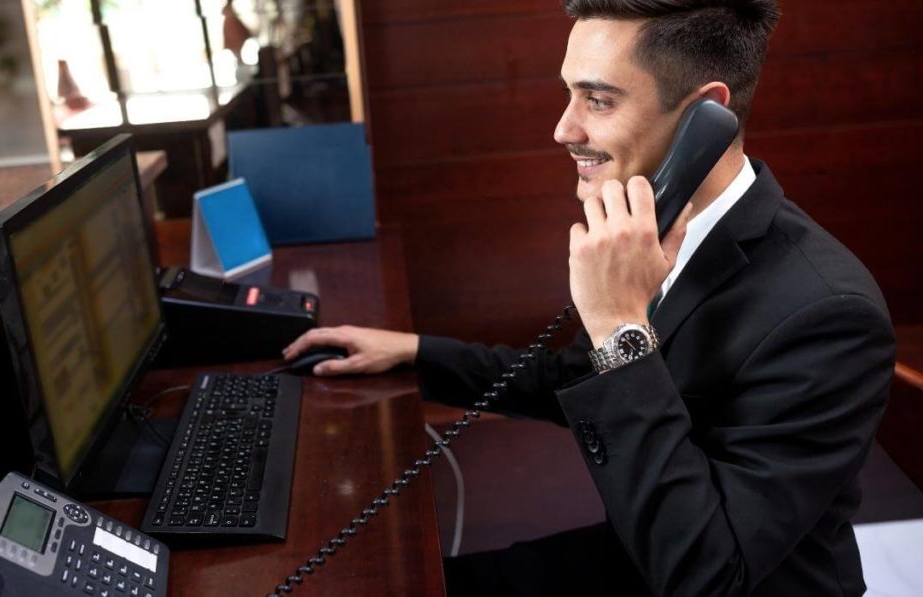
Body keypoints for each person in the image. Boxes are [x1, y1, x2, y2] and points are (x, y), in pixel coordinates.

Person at [282, 1, 896, 594]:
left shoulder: (829, 313)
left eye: (598, 100)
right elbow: (577, 375)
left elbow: (708, 572)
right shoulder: (646, 231)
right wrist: (417, 354)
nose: (564, 129)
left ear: (705, 116)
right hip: (638, 547)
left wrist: (619, 325)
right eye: (569, 94)